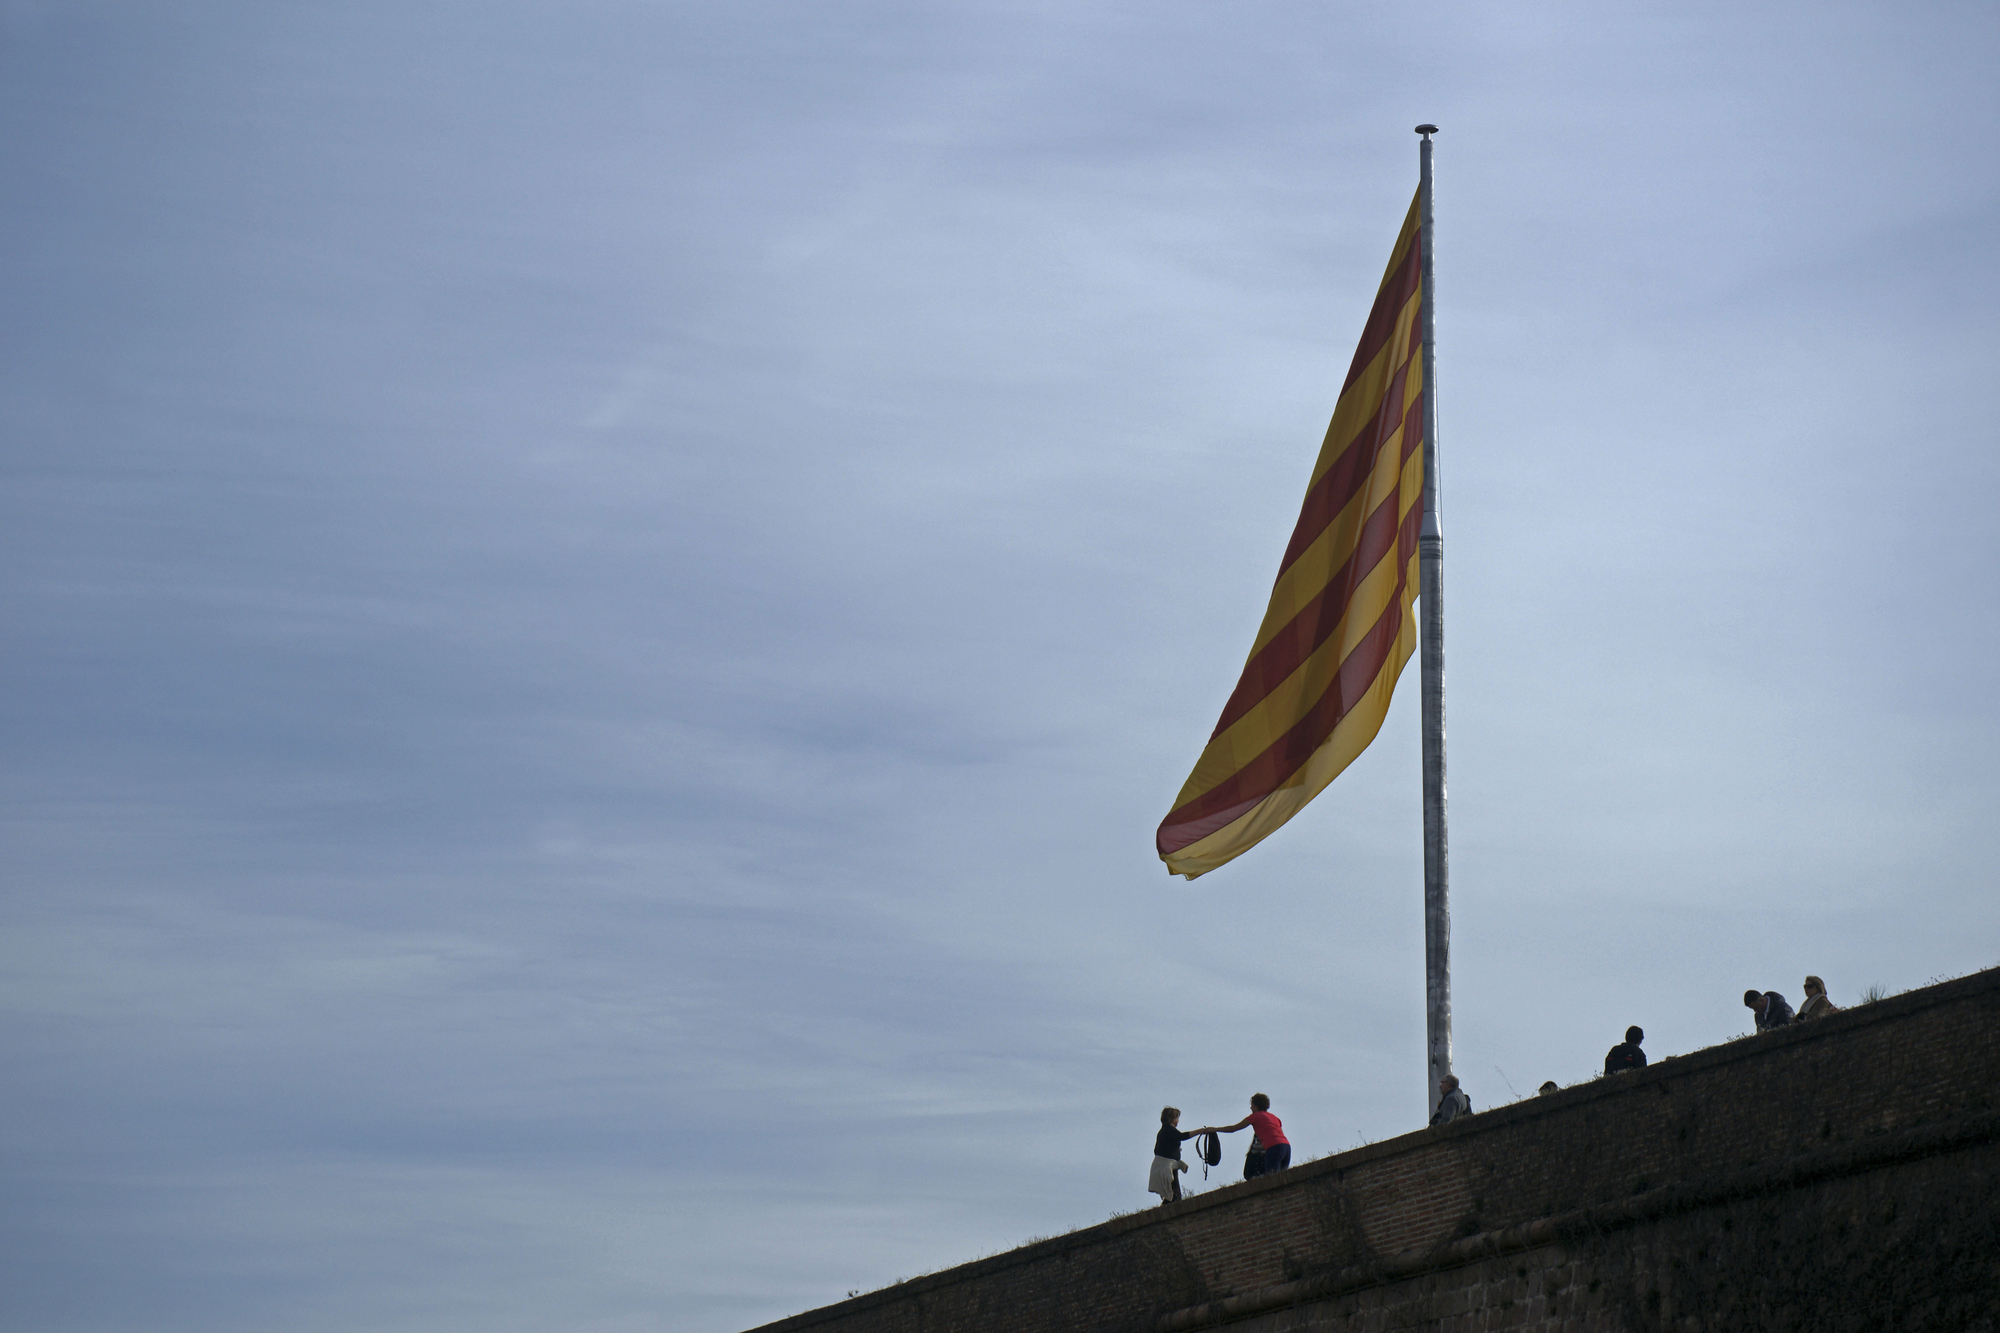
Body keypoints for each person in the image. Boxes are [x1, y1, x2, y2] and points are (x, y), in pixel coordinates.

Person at [1207, 1093, 1290, 1179]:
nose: (1251, 1108)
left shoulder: (1254, 1117)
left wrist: (1215, 1129)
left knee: (1272, 1180)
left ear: (1256, 1106)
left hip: (1274, 1148)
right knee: (1282, 1178)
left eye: (1252, 1105)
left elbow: (1233, 1128)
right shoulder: (1275, 1118)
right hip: (1286, 1147)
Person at [1149, 1107, 1195, 1204]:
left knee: (1173, 1195)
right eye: (1177, 1118)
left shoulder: (1163, 1132)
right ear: (1172, 1119)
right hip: (1166, 1168)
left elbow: (1156, 1150)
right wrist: (1200, 1131)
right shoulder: (1168, 1130)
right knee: (1174, 1196)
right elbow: (1182, 1136)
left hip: (1166, 1167)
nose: (1178, 1120)